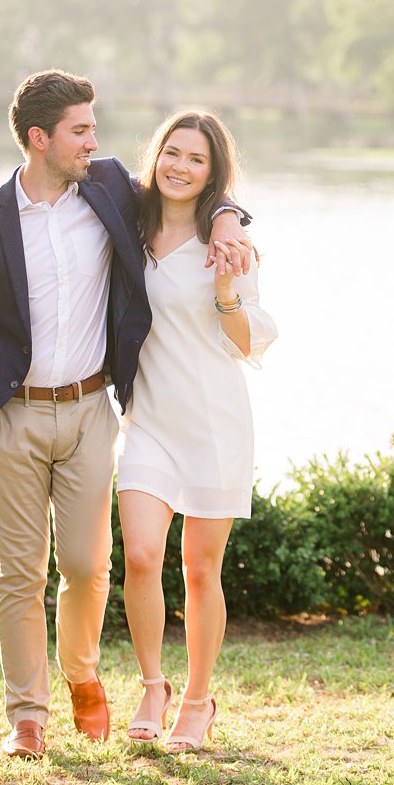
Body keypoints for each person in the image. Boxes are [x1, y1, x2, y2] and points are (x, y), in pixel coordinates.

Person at [0, 69, 252, 761]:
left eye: (93, 128)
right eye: (80, 130)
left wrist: (231, 218)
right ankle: (27, 716)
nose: (94, 140)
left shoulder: (109, 187)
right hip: (11, 417)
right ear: (39, 138)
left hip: (90, 409)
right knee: (18, 571)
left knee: (87, 564)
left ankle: (81, 671)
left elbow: (198, 183)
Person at [117, 111, 276, 752]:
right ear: (156, 156)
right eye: (172, 153)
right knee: (139, 557)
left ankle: (198, 698)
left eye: (197, 159)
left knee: (201, 570)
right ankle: (152, 683)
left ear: (214, 173)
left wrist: (226, 289)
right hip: (147, 422)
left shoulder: (230, 245)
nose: (180, 167)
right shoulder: (125, 223)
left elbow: (245, 344)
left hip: (214, 424)